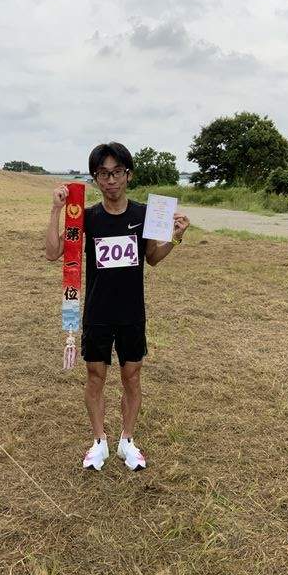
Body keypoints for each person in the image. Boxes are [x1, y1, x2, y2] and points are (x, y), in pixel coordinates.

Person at [45, 142, 189, 471]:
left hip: (131, 312)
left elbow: (152, 258)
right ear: (95, 179)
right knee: (95, 377)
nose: (111, 180)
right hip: (97, 311)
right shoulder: (87, 217)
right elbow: (53, 253)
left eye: (117, 172)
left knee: (132, 377)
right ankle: (99, 442)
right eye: (103, 174)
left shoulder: (145, 214)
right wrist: (55, 210)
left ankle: (127, 440)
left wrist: (176, 237)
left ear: (128, 175)